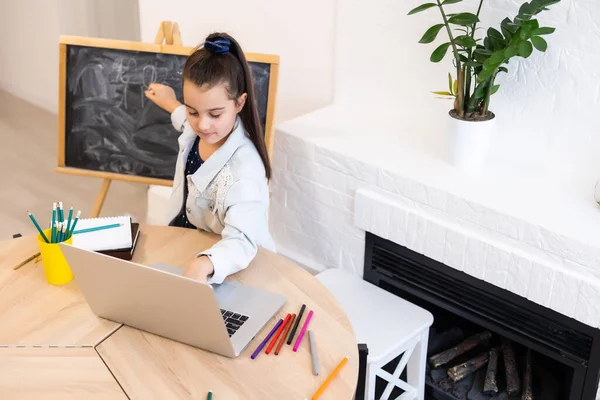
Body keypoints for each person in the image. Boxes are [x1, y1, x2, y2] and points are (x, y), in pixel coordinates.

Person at [145, 32, 275, 284]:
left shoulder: (245, 170)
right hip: (186, 241)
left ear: (240, 103)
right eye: (193, 111)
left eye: (215, 114)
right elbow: (185, 121)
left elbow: (242, 240)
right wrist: (171, 103)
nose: (202, 125)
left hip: (227, 264)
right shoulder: (198, 129)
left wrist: (206, 263)